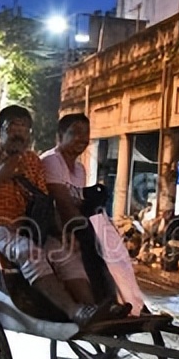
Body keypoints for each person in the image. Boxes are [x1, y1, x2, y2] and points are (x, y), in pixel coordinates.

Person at [0, 105, 126, 328]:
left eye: (25, 128)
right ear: (1, 130)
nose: (19, 133)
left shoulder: (32, 162)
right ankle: (74, 310)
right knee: (29, 252)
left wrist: (61, 233)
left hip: (28, 225)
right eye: (13, 127)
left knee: (66, 253)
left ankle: (91, 308)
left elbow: (44, 202)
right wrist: (0, 176)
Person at [41, 112, 145, 315]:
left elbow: (77, 202)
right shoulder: (52, 160)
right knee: (95, 245)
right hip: (51, 226)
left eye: (86, 133)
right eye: (75, 133)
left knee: (116, 249)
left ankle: (131, 302)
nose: (82, 138)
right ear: (60, 136)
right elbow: (62, 202)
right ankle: (105, 301)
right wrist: (81, 230)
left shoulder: (79, 168)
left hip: (72, 221)